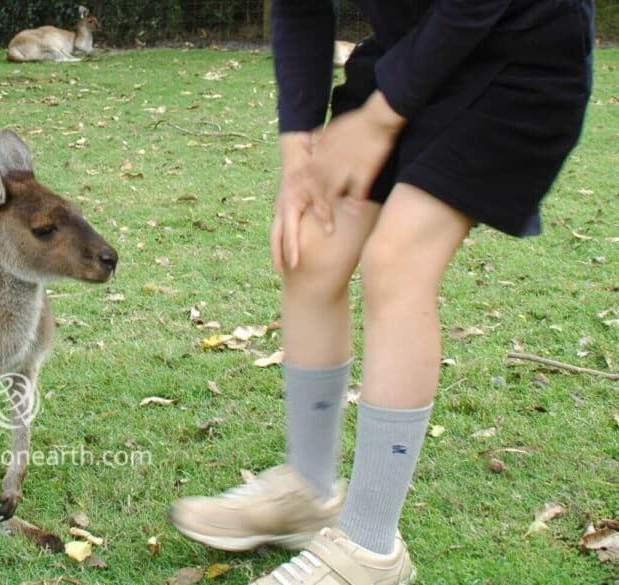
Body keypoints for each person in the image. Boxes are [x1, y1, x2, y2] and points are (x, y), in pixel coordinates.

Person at [172, 1, 594, 584]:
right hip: (408, 57)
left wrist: (379, 118)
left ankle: (370, 548)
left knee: (396, 259)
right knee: (313, 248)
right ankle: (310, 490)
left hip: (520, 56)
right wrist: (300, 155)